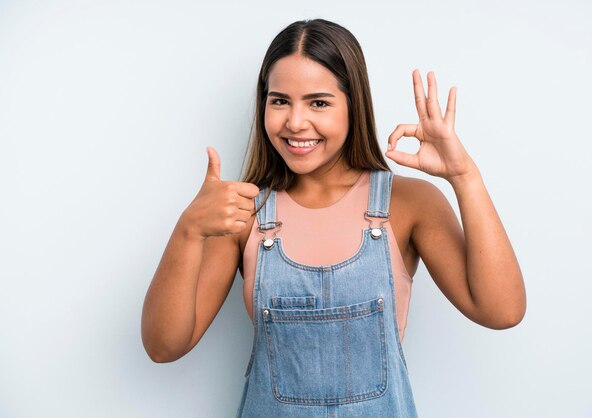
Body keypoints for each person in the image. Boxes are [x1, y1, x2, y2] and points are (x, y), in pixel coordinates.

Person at [141, 18, 526, 417]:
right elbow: (164, 346)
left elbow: (501, 311)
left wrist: (465, 177)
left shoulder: (410, 203)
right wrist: (188, 230)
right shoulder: (244, 211)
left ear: (352, 105)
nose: (295, 122)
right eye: (279, 100)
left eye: (319, 102)